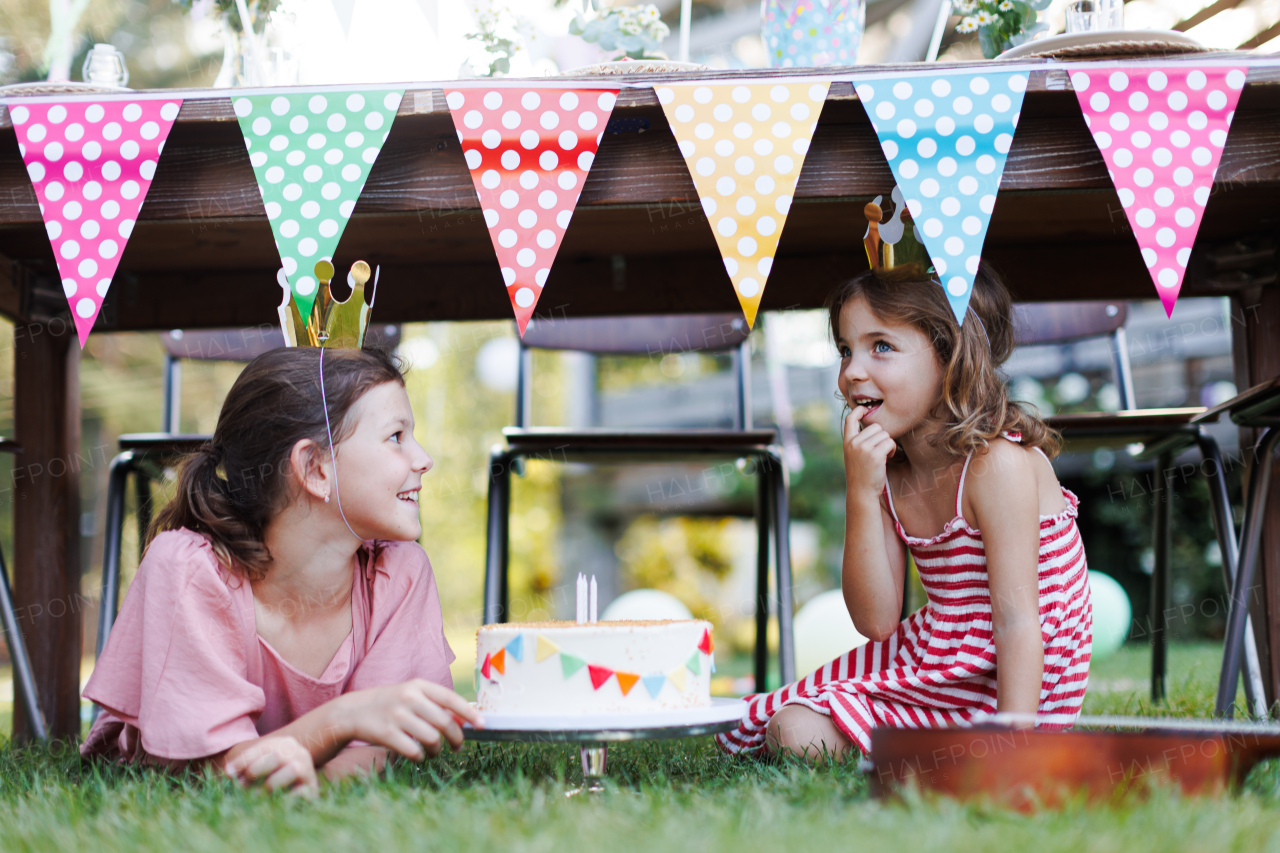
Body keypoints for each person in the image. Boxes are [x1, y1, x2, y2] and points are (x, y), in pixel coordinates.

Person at [717, 263, 1092, 760]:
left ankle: (969, 748)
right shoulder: (892, 470)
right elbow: (875, 622)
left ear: (949, 356)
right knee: (789, 726)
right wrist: (861, 492)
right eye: (846, 350)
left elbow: (1019, 622)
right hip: (941, 663)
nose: (852, 371)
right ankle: (930, 750)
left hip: (1019, 681)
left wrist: (1013, 749)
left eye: (882, 347)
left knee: (800, 731)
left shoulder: (996, 465)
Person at [82, 346, 482, 792]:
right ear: (314, 468)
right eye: (396, 437)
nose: (423, 458)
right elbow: (217, 773)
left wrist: (307, 785)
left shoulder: (399, 572)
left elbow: (368, 759)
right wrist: (343, 718)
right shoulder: (190, 570)